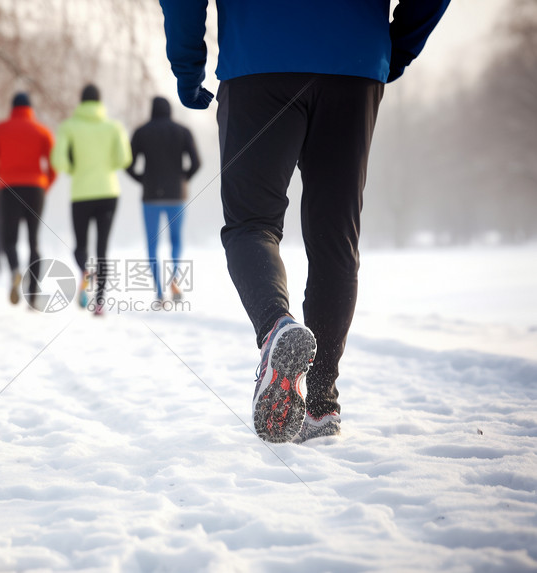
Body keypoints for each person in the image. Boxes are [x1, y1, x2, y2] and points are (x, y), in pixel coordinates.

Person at [159, 0, 450, 443]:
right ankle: (320, 404)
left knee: (251, 223)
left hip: (259, 58)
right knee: (336, 235)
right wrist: (395, 47)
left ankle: (278, 326)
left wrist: (187, 66)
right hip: (354, 62)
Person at [51, 84, 132, 316]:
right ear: (99, 102)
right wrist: (107, 168)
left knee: (81, 245)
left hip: (81, 193)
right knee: (102, 248)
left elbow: (58, 161)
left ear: (81, 101)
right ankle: (99, 303)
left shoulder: (69, 127)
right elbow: (124, 159)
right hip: (109, 192)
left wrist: (73, 168)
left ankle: (86, 271)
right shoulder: (113, 126)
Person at [0, 92, 56, 305]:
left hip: (9, 187)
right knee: (34, 241)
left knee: (9, 239)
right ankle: (32, 294)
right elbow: (54, 165)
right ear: (30, 108)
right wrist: (44, 184)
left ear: (12, 108)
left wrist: (0, 173)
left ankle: (15, 269)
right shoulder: (43, 131)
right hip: (35, 189)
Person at [127, 96, 200, 302]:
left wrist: (142, 179)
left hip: (150, 196)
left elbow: (128, 164)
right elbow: (196, 162)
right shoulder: (182, 131)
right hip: (176, 195)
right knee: (176, 240)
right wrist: (183, 178)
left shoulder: (141, 132)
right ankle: (174, 280)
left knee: (152, 243)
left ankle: (159, 291)